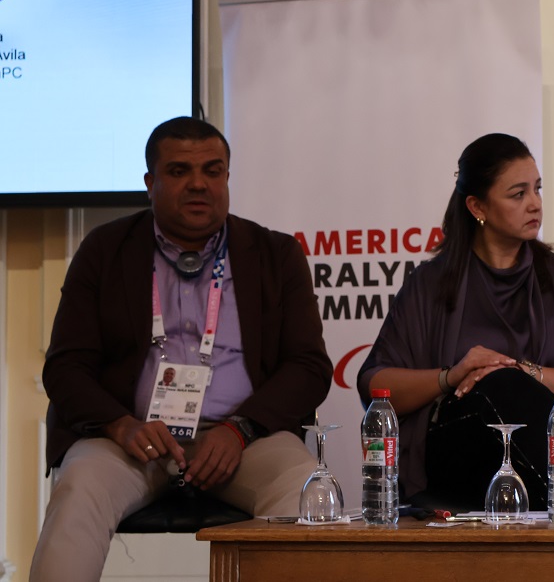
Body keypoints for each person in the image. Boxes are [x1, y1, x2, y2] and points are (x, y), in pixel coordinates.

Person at [31, 117, 333, 581]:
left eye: (213, 171)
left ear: (227, 178)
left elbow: (309, 366)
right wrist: (119, 425)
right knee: (79, 488)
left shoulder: (275, 254)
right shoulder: (105, 250)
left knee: (306, 491)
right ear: (150, 182)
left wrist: (240, 430)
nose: (198, 184)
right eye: (178, 172)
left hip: (242, 439)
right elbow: (66, 366)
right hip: (132, 442)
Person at [357, 133, 554, 512]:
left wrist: (523, 372)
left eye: (537, 189)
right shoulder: (430, 286)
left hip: (551, 460)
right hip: (457, 465)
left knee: (507, 382)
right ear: (477, 206)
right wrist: (453, 376)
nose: (535, 204)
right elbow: (374, 384)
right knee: (497, 386)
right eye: (518, 194)